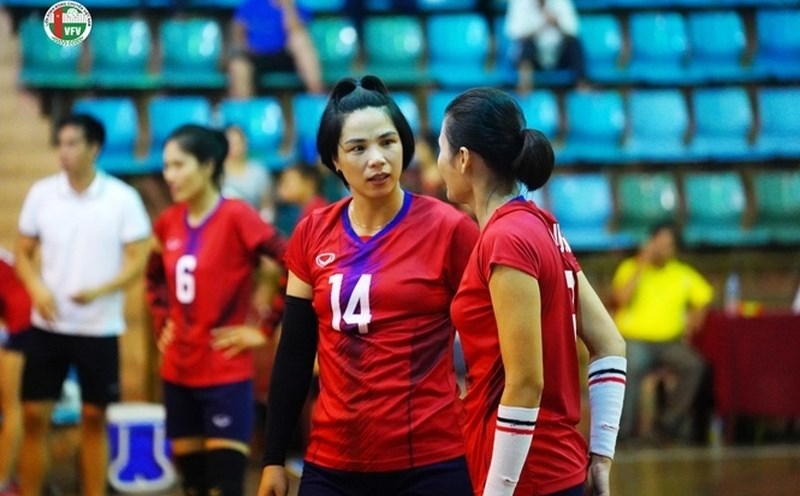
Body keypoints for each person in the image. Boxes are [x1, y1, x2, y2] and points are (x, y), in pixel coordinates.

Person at [257, 75, 479, 496]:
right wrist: (272, 458)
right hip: (332, 462)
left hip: (432, 460)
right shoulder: (311, 233)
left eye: (387, 142)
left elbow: (493, 340)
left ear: (405, 146)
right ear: (335, 161)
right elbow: (295, 352)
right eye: (358, 148)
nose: (376, 158)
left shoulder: (449, 229)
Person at [436, 87, 627, 496]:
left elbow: (526, 382)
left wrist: (499, 491)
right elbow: (610, 343)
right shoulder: (541, 224)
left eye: (441, 149)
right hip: (558, 468)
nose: (438, 164)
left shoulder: (505, 238)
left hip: (528, 476)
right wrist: (601, 457)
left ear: (464, 158)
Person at [145, 124, 286, 495]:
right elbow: (153, 278)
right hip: (178, 371)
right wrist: (163, 321)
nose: (169, 175)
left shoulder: (237, 215)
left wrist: (265, 327)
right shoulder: (167, 222)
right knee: (192, 486)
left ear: (208, 166)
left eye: (179, 165)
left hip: (225, 372)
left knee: (224, 487)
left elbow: (293, 263)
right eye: (166, 166)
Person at [14, 114, 152, 496]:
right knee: (32, 415)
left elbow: (139, 258)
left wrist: (103, 288)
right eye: (61, 143)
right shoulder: (42, 193)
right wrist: (37, 289)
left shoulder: (122, 198)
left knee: (94, 417)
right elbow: (22, 253)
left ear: (95, 148)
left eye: (73, 143)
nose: (64, 152)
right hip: (48, 326)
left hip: (98, 326)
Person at [611, 222, 711, 445]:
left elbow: (704, 299)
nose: (663, 249)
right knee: (631, 366)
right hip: (635, 340)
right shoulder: (630, 268)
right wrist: (641, 265)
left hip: (670, 343)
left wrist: (693, 323)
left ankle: (668, 425)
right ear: (650, 243)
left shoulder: (682, 273)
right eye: (660, 243)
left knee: (694, 365)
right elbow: (621, 299)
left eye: (669, 245)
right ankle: (624, 433)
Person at [228, 0, 323, 98]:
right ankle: (244, 111)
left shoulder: (296, 7)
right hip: (257, 56)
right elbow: (237, 36)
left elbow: (296, 30)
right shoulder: (250, 5)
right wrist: (247, 48)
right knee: (238, 65)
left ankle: (318, 99)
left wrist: (288, 7)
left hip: (286, 57)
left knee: (299, 39)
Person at [0, 246, 32, 496]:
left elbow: (19, 303)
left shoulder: (5, 263)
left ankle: (3, 480)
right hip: (13, 322)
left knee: (11, 405)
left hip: (18, 328)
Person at [504, 0, 586, 93]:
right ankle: (525, 86)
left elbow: (574, 31)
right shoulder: (519, 2)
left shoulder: (561, 2)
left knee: (574, 43)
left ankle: (581, 85)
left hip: (558, 53)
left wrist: (557, 24)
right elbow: (514, 33)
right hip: (533, 55)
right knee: (525, 44)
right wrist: (540, 26)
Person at [222, 124, 274, 217]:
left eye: (237, 143)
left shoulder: (259, 171)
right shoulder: (216, 173)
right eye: (230, 143)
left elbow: (267, 206)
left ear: (245, 143)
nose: (234, 148)